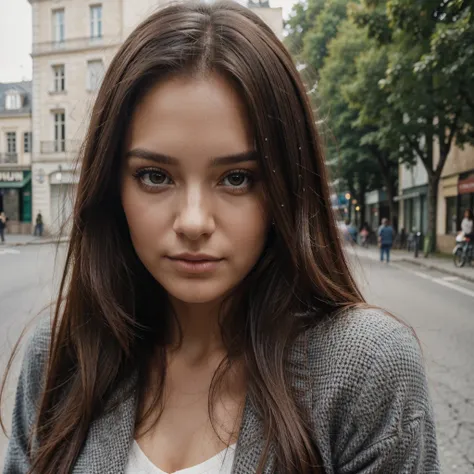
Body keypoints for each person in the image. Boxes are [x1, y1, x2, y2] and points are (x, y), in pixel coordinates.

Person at [2, 2, 439, 473]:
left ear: (285, 188)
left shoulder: (365, 369)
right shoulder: (62, 354)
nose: (193, 222)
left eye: (236, 178)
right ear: (112, 186)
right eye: (154, 175)